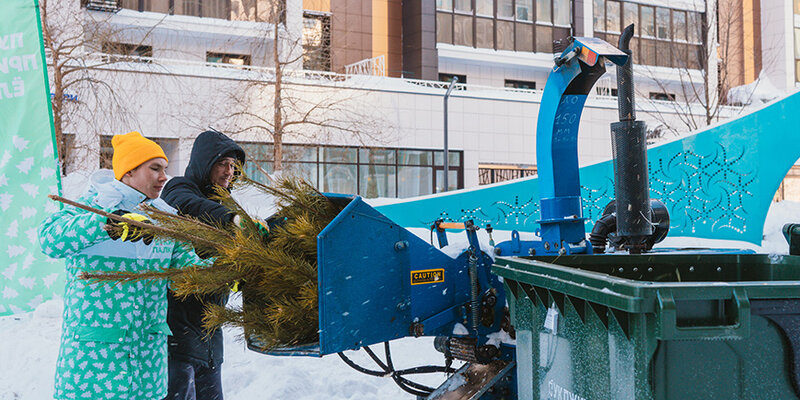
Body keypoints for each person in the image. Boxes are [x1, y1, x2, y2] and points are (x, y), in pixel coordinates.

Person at [39, 131, 203, 400]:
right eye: (155, 168)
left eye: (165, 169)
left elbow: (184, 274)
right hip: (94, 368)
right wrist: (106, 224)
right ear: (128, 172)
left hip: (147, 369)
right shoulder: (92, 206)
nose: (164, 177)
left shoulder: (166, 219)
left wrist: (226, 267)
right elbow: (50, 240)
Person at [160, 130, 245, 400]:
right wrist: (231, 220)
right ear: (204, 162)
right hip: (179, 332)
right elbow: (189, 206)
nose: (229, 171)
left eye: (233, 165)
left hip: (210, 334)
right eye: (222, 163)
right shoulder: (179, 188)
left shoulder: (227, 203)